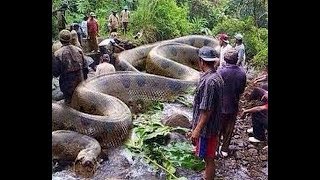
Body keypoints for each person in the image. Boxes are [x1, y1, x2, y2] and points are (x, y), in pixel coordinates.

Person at [188, 46, 224, 180]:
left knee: (209, 159)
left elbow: (207, 110)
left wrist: (196, 130)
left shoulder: (210, 82)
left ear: (201, 61)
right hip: (213, 126)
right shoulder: (216, 77)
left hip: (208, 129)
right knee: (208, 156)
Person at [217, 48, 246, 157]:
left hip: (220, 105)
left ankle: (215, 149)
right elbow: (241, 90)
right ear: (236, 59)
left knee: (218, 127)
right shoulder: (242, 73)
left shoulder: (220, 71)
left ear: (225, 59)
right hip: (233, 104)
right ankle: (224, 150)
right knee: (229, 128)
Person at [52, 30, 88, 104]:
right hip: (80, 83)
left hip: (67, 86)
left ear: (60, 40)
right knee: (81, 102)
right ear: (70, 39)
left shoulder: (58, 54)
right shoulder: (79, 50)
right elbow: (86, 68)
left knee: (70, 104)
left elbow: (56, 73)